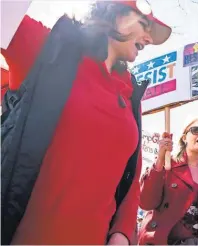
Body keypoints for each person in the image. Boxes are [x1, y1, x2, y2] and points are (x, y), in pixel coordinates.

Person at [1, 1, 171, 244]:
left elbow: (131, 177)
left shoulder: (130, 91)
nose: (148, 38)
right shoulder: (49, 48)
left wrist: (122, 232)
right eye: (144, 25)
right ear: (116, 16)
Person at [138, 118, 198, 245]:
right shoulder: (168, 166)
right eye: (196, 130)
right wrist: (159, 162)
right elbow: (146, 202)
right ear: (184, 138)